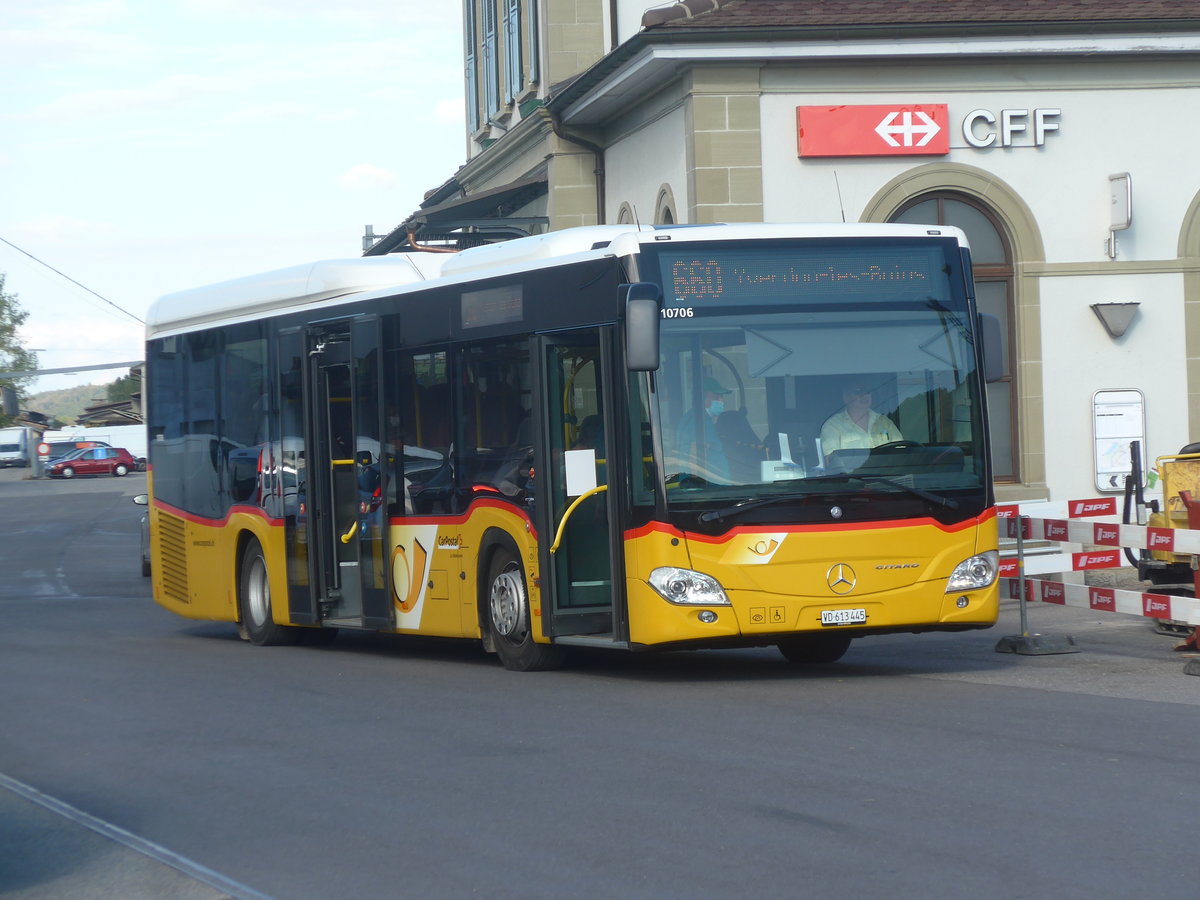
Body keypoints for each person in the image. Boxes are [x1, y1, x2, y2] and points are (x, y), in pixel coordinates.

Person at [820, 380, 902, 458]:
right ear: (846, 397)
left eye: (867, 391)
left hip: (887, 472)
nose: (864, 395)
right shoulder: (832, 426)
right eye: (858, 392)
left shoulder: (885, 422)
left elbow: (902, 452)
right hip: (853, 473)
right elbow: (831, 462)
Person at [675, 376, 731, 480]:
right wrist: (696, 485)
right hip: (711, 489)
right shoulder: (701, 422)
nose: (721, 401)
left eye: (722, 396)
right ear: (701, 398)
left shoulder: (691, 417)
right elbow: (695, 455)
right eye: (716, 396)